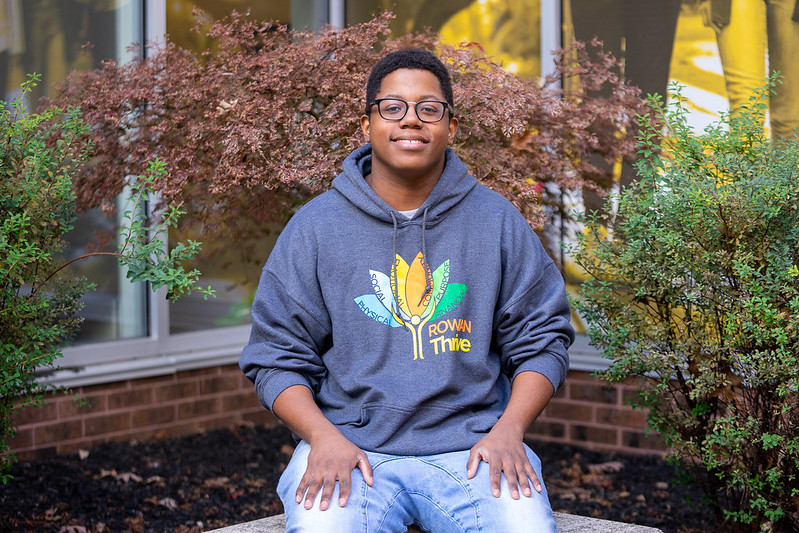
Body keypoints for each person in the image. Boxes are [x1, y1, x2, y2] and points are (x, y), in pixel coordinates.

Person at [240, 49, 574, 533]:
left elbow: (542, 340)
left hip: (474, 449)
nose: (410, 121)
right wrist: (321, 437)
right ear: (367, 123)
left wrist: (510, 431)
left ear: (451, 127)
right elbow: (275, 355)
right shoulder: (316, 227)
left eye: (428, 108)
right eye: (393, 107)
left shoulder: (496, 221)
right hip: (351, 449)